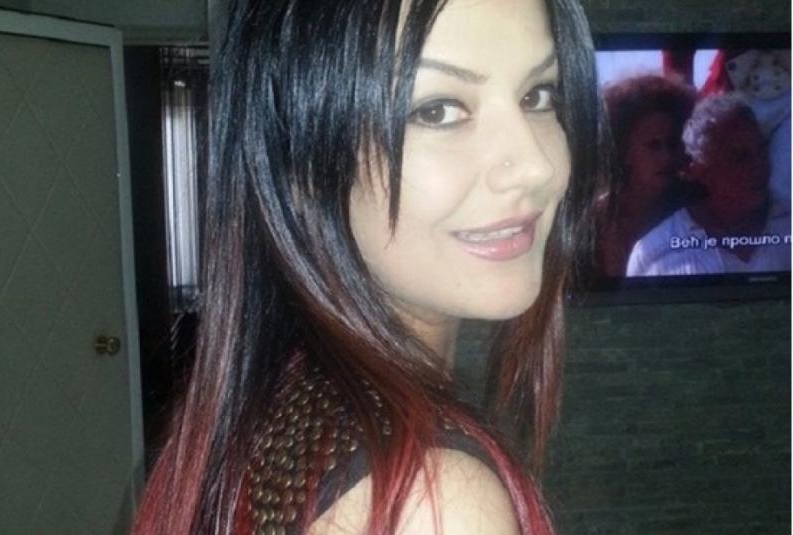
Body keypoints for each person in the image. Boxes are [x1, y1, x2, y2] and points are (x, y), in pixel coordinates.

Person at [133, 0, 602, 534]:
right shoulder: (428, 502)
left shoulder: (286, 403)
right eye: (437, 110)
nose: (537, 167)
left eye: (539, 95)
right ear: (298, 161)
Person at [627, 93, 791, 276]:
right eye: (739, 158)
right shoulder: (654, 253)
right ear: (699, 171)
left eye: (762, 149)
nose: (759, 166)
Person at [595, 75, 697, 278]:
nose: (666, 156)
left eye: (673, 143)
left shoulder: (696, 202)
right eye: (653, 145)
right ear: (624, 151)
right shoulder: (597, 219)